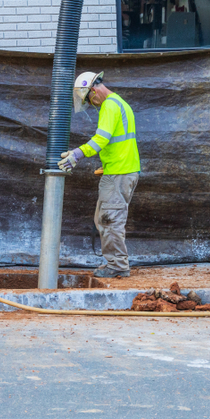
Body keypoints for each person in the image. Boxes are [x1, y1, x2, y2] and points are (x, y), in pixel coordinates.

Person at [58, 72, 141, 278]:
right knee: (103, 219)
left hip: (119, 172)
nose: (91, 104)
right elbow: (119, 141)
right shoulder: (120, 103)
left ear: (93, 91)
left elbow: (101, 139)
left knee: (109, 220)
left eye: (88, 99)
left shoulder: (109, 106)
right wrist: (109, 162)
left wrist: (76, 155)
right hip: (121, 169)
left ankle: (118, 266)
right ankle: (115, 262)